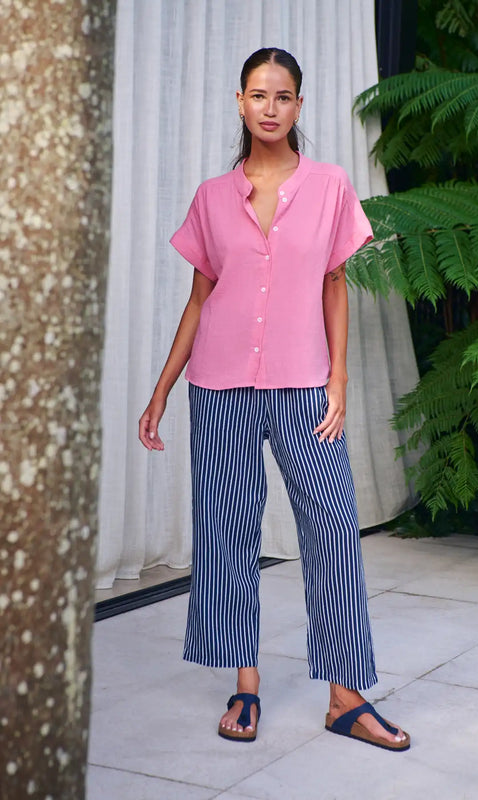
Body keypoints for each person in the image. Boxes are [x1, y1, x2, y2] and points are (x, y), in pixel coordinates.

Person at [139, 47, 409, 752]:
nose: (268, 107)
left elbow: (333, 284)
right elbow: (201, 300)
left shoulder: (327, 186)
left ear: (297, 106)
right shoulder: (210, 196)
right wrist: (162, 389)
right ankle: (245, 686)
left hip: (302, 383)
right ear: (239, 102)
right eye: (257, 94)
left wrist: (339, 379)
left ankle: (345, 698)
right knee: (226, 534)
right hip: (219, 386)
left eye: (282, 96)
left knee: (331, 532)